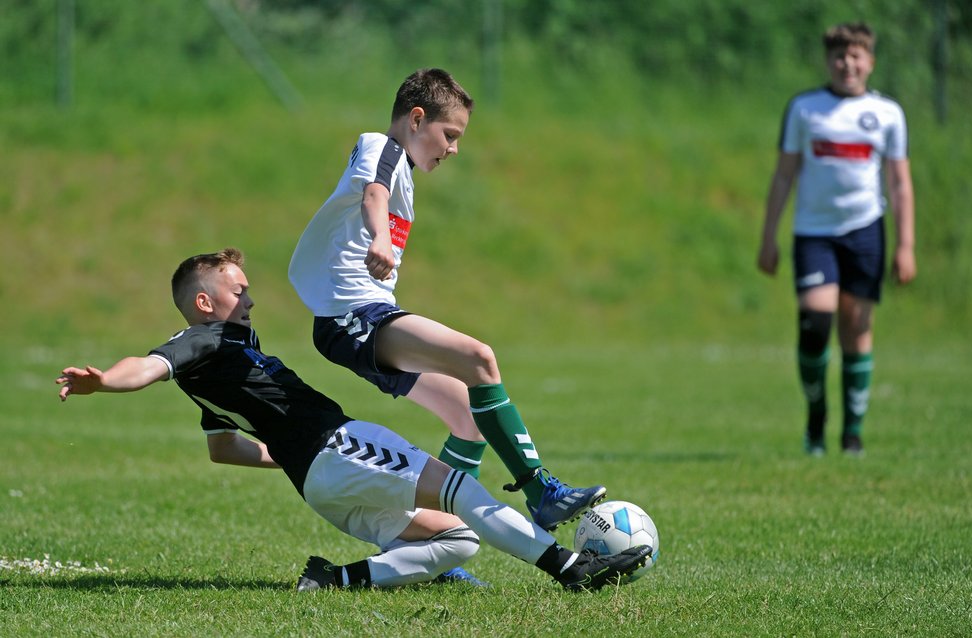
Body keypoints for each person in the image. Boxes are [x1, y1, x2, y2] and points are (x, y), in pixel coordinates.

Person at [55, 249, 650, 591]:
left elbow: (223, 449)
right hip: (337, 447)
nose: (251, 300)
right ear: (205, 303)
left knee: (458, 539)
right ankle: (571, 568)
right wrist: (105, 381)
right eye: (240, 291)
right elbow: (148, 365)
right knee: (462, 491)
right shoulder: (202, 340)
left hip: (320, 485)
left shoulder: (222, 359)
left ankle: (333, 580)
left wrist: (290, 455)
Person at [288, 68, 606, 530]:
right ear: (417, 119)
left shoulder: (402, 168)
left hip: (363, 315)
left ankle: (441, 539)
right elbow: (373, 193)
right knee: (479, 358)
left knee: (467, 415)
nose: (453, 149)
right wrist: (380, 236)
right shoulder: (383, 148)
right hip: (350, 316)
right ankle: (541, 492)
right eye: (450, 135)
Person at [756, 22, 916, 456]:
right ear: (828, 61)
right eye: (839, 56)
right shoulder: (805, 109)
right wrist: (768, 237)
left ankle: (852, 435)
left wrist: (905, 245)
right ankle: (816, 422)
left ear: (870, 62)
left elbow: (899, 182)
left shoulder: (887, 114)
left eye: (856, 56)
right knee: (815, 323)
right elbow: (784, 174)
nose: (848, 64)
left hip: (865, 230)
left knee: (856, 328)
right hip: (814, 233)